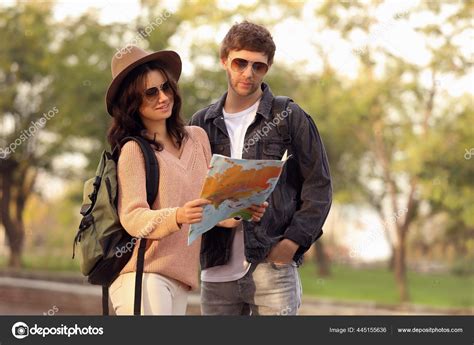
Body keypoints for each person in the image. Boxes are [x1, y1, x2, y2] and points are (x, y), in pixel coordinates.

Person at [105, 45, 267, 315]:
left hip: (182, 280)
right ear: (131, 102)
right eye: (151, 92)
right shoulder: (134, 150)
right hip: (143, 276)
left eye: (166, 87)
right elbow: (132, 217)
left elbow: (208, 208)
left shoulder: (197, 138)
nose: (163, 96)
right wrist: (177, 215)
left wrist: (240, 210)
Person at [190, 21, 332, 315]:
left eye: (258, 66)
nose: (248, 73)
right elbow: (188, 189)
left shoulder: (288, 115)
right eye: (240, 63)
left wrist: (290, 245)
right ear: (224, 61)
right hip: (216, 271)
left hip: (272, 266)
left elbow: (319, 186)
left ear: (268, 67)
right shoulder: (200, 123)